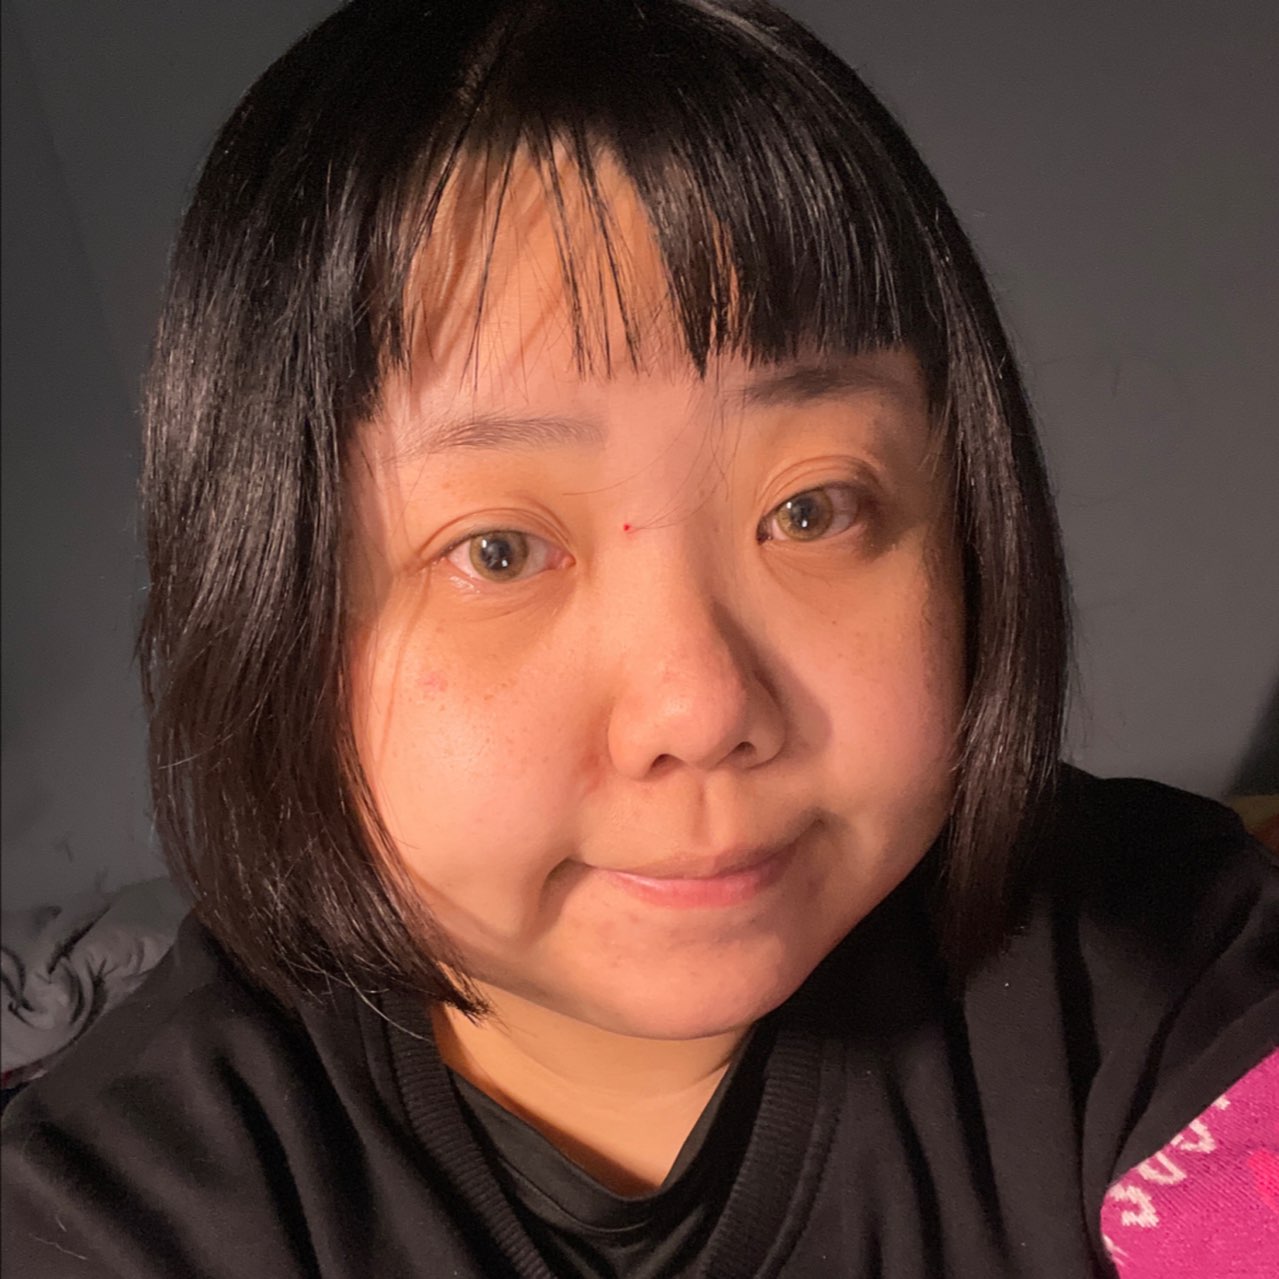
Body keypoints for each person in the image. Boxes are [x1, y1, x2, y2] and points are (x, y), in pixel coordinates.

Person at [2, 1, 1275, 1275]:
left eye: (811, 508)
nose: (700, 707)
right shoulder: (113, 1215)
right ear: (268, 609)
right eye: (497, 550)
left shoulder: (1155, 971)